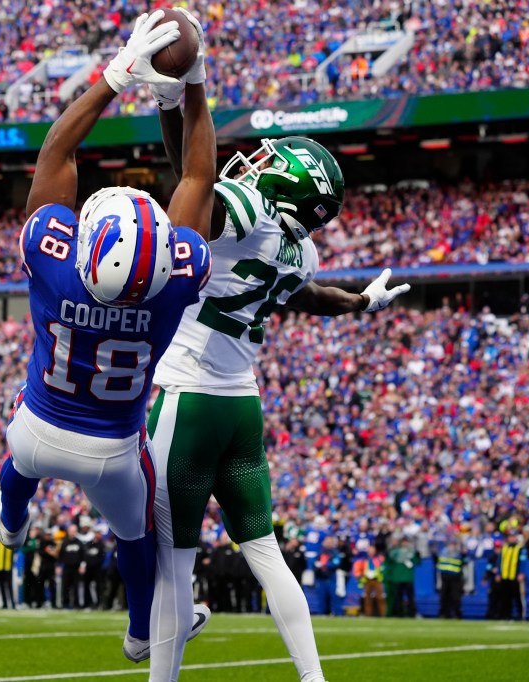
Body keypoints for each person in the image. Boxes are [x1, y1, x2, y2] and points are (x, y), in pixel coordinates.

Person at [144, 8, 410, 680]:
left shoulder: (245, 210)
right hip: (243, 408)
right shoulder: (302, 247)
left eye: (273, 161)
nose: (259, 161)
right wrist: (360, 302)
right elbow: (308, 296)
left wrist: (175, 95)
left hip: (188, 398)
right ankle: (314, 678)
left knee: (174, 563)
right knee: (266, 553)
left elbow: (191, 177)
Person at [0, 8, 215, 662]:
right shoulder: (177, 278)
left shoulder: (54, 256)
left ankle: (11, 523)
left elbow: (56, 151)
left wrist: (115, 77)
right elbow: (198, 177)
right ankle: (140, 632)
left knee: (15, 467)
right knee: (136, 537)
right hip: (114, 453)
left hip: (38, 429)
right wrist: (192, 83)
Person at [435, 539, 466, 619]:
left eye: (453, 544)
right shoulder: (443, 553)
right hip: (445, 577)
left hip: (455, 578)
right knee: (444, 596)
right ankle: (444, 613)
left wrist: (464, 554)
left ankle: (456, 614)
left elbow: (465, 561)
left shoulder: (458, 554)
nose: (452, 546)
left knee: (455, 597)